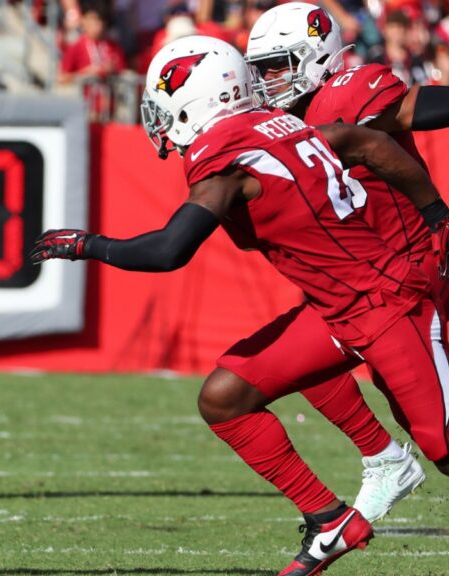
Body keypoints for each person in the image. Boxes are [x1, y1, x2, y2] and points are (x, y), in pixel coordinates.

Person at [32, 35, 449, 576]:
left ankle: (389, 463)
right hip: (337, 310)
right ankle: (329, 518)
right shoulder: (275, 125)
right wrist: (434, 208)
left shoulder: (227, 156)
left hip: (386, 304)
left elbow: (168, 251)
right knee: (225, 397)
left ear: (197, 99)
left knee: (442, 444)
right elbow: (363, 143)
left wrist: (87, 244)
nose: (160, 121)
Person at [244, 1, 449, 524]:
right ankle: (383, 459)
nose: (267, 81)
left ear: (316, 56)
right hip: (362, 290)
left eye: (277, 65)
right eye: (261, 69)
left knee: (441, 439)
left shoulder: (350, 91)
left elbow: (413, 110)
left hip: (414, 280)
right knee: (286, 370)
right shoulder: (275, 122)